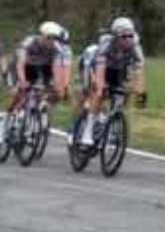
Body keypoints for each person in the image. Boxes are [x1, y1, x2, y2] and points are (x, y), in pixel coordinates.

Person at [79, 17, 147, 147]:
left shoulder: (135, 46)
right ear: (115, 36)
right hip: (99, 66)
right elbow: (100, 69)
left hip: (118, 69)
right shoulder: (106, 44)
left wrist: (140, 91)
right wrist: (100, 86)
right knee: (99, 94)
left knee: (124, 93)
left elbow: (139, 70)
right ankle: (87, 130)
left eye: (130, 36)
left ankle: (113, 122)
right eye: (124, 36)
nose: (128, 39)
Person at [3, 22, 71, 138]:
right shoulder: (29, 43)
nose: (51, 41)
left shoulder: (55, 48)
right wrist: (22, 81)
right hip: (20, 67)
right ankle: (5, 124)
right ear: (42, 35)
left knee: (46, 91)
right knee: (19, 93)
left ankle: (33, 117)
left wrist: (57, 85)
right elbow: (20, 64)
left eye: (54, 39)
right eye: (49, 38)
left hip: (39, 68)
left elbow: (55, 69)